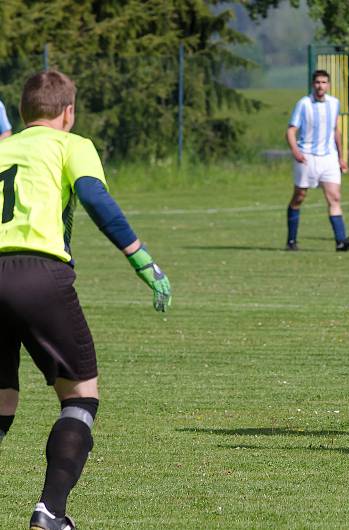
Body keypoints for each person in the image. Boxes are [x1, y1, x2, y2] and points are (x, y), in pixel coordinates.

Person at [0, 70, 172, 530]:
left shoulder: (1, 148)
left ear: (22, 112)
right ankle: (50, 512)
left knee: (2, 400)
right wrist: (142, 260)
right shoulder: (71, 145)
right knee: (80, 398)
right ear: (69, 112)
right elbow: (95, 198)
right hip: (39, 274)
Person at [285, 69, 349, 252]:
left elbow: (335, 130)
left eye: (324, 82)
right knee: (299, 196)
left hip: (329, 157)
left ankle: (341, 241)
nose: (321, 86)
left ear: (329, 85)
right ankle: (291, 241)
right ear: (312, 84)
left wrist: (341, 157)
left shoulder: (334, 103)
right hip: (307, 157)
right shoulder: (303, 104)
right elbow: (291, 131)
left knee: (334, 197)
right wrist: (296, 151)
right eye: (317, 82)